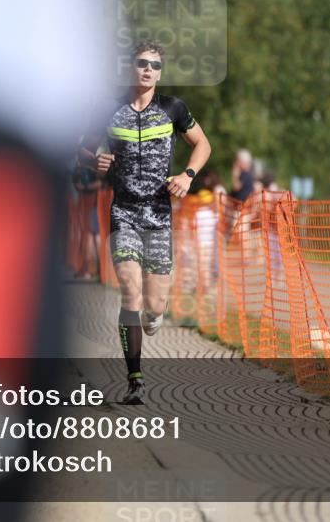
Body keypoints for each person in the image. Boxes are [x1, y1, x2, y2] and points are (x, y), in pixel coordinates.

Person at [79, 40, 211, 404]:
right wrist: (94, 161)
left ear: (160, 71)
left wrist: (187, 175)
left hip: (158, 214)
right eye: (142, 63)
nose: (148, 69)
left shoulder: (173, 108)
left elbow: (203, 145)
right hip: (123, 210)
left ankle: (154, 315)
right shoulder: (108, 108)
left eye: (155, 65)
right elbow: (81, 148)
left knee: (153, 305)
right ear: (131, 67)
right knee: (129, 290)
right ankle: (135, 380)